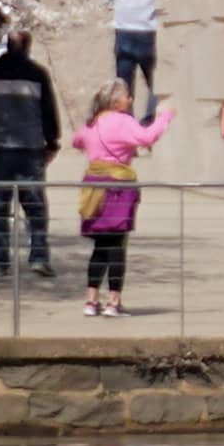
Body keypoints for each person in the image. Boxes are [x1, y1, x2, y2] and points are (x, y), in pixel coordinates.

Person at [0, 23, 62, 278]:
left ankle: (0, 262)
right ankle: (39, 257)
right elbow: (48, 111)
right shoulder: (37, 73)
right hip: (30, 149)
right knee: (35, 207)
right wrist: (52, 142)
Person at [74, 88, 154, 318]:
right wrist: (164, 117)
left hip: (94, 187)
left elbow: (76, 140)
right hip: (118, 188)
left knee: (100, 246)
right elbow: (147, 138)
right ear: (116, 102)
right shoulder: (123, 121)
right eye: (127, 96)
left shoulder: (93, 122)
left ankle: (90, 301)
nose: (130, 99)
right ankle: (113, 302)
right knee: (117, 246)